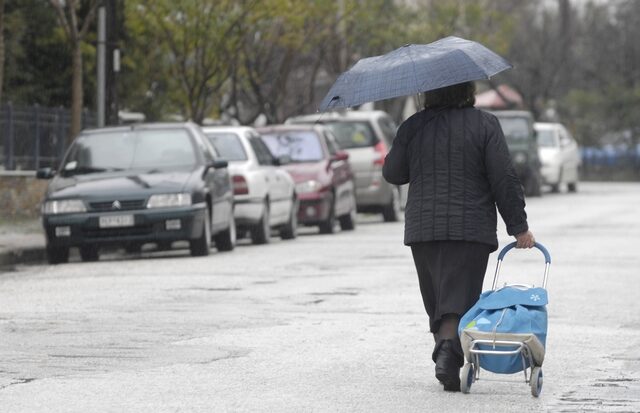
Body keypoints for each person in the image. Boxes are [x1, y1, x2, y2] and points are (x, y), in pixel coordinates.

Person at [382, 81, 535, 392]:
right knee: (458, 298)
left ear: (430, 92)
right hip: (470, 229)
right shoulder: (485, 125)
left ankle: (447, 353)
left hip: (424, 229)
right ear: (468, 91)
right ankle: (448, 353)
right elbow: (503, 178)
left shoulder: (413, 126)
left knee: (438, 297)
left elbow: (393, 173)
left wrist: (409, 136)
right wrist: (518, 226)